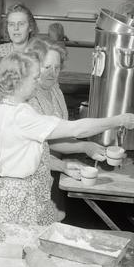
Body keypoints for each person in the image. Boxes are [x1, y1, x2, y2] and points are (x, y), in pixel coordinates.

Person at [0, 52, 134, 225]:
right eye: (34, 78)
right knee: (23, 248)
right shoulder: (21, 116)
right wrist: (119, 120)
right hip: (20, 197)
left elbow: (28, 152)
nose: (38, 82)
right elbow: (77, 129)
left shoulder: (6, 106)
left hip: (19, 192)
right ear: (18, 81)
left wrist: (63, 165)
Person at [25, 36, 106, 220]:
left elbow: (61, 130)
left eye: (57, 67)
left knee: (54, 220)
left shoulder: (54, 89)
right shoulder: (28, 97)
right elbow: (46, 142)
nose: (52, 73)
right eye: (47, 67)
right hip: (33, 175)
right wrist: (83, 147)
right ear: (33, 65)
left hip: (53, 171)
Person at [0, 3, 38, 91]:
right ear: (7, 28)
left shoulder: (39, 53)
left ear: (30, 27)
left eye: (21, 24)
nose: (16, 28)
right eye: (11, 24)